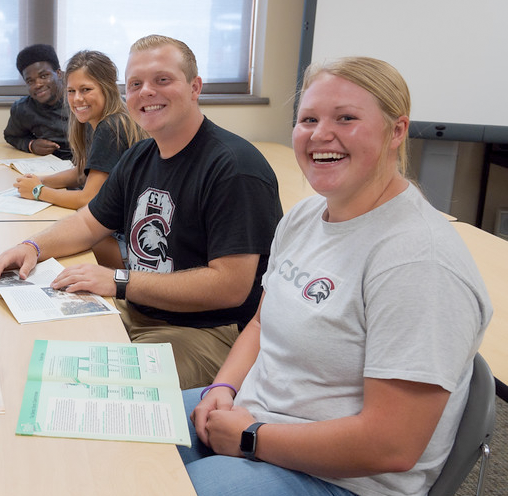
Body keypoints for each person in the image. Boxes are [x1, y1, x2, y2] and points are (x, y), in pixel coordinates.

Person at [181, 56, 491, 496]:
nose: (320, 134)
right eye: (309, 119)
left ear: (396, 131)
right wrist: (224, 386)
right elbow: (261, 323)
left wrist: (253, 438)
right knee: (118, 439)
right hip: (254, 417)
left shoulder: (419, 262)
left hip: (339, 478)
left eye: (346, 118)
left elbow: (391, 446)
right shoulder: (305, 217)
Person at [0, 35, 283, 390]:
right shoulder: (141, 155)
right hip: (139, 307)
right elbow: (87, 223)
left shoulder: (233, 167)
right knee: (34, 355)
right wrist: (31, 247)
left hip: (209, 333)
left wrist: (119, 281)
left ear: (194, 87)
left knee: (90, 390)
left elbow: (230, 286)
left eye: (162, 80)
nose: (146, 92)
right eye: (136, 84)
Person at [13, 50, 147, 269]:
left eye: (86, 90)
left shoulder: (111, 127)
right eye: (71, 91)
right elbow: (82, 173)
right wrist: (40, 180)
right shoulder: (97, 119)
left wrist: (38, 192)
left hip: (126, 244)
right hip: (118, 231)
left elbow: (88, 199)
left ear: (107, 87)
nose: (77, 99)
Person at [3, 43, 72, 160]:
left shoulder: (78, 100)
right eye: (30, 81)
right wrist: (31, 145)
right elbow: (11, 136)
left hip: (84, 167)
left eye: (44, 76)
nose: (37, 85)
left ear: (59, 74)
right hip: (46, 166)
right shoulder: (23, 108)